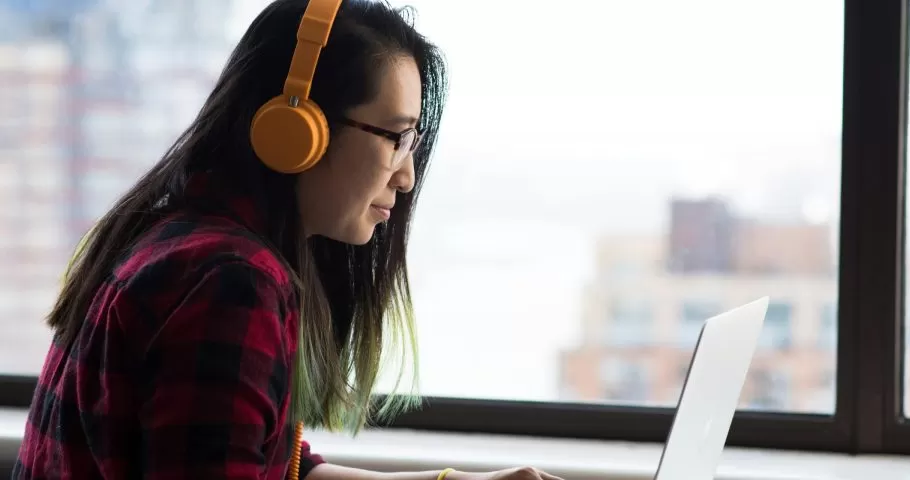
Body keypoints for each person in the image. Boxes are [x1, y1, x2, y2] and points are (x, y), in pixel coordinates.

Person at [12, 1, 563, 479]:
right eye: (395, 137)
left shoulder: (181, 238)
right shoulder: (229, 285)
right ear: (296, 128)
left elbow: (277, 465)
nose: (406, 175)